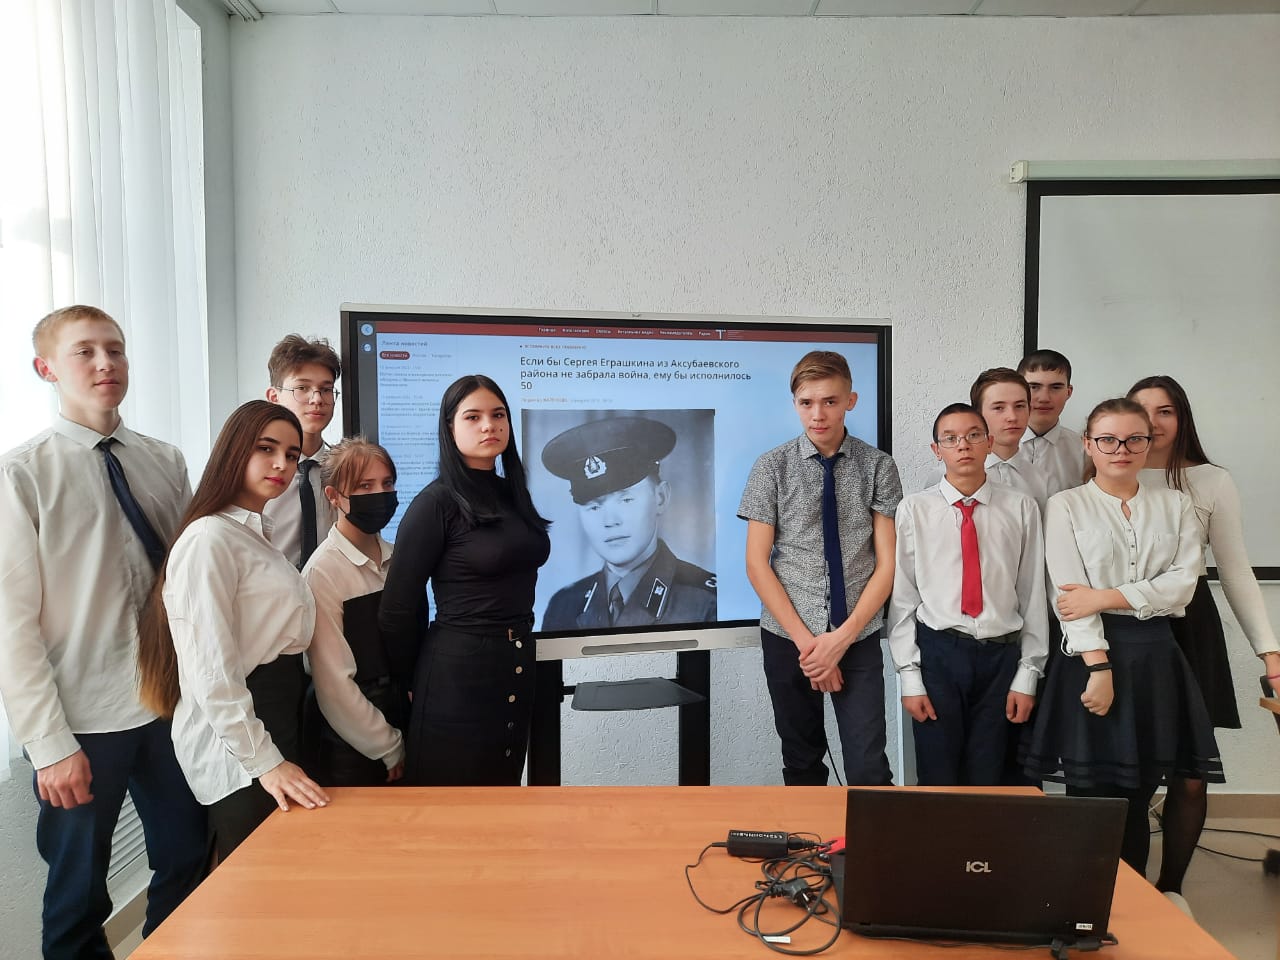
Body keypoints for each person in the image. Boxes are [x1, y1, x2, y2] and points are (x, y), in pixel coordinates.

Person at [0, 305, 206, 960]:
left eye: (114, 349)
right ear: (46, 369)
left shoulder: (164, 461)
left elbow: (189, 578)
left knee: (191, 860)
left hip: (169, 705)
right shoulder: (21, 474)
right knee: (78, 896)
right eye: (84, 351)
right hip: (82, 720)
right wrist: (48, 744)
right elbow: (11, 624)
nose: (105, 363)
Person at [1021, 398, 1223, 875]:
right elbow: (1070, 597)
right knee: (1091, 794)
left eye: (1134, 439)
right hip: (1091, 655)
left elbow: (1182, 587)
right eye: (1108, 440)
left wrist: (1104, 596)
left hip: (1156, 656)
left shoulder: (1175, 504)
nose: (1121, 450)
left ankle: (1134, 903)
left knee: (1139, 789)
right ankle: (1082, 901)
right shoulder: (1066, 505)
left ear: (1148, 444)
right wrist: (1099, 667)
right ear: (1088, 444)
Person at [138, 400, 330, 863]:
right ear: (234, 451)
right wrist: (266, 762)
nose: (282, 464)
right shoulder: (209, 538)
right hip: (244, 736)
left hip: (277, 714)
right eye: (267, 448)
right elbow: (212, 671)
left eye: (291, 454)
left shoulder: (251, 533)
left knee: (285, 872)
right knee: (255, 879)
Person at [1128, 374, 1280, 900]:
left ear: (1182, 418)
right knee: (1131, 770)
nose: (1153, 422)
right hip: (1128, 626)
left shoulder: (1211, 480)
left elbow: (1235, 571)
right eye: (1142, 410)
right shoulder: (1108, 469)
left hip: (1192, 628)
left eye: (1165, 411)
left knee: (1190, 771)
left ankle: (1171, 890)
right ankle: (1127, 894)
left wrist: (1269, 652)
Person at [738, 351, 901, 786]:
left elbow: (887, 563)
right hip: (788, 636)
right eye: (806, 402)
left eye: (830, 401)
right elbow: (756, 563)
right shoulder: (771, 467)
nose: (818, 414)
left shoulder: (878, 466)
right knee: (802, 762)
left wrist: (840, 639)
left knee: (868, 767)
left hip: (857, 636)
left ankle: (869, 836)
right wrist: (811, 648)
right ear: (794, 404)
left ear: (851, 400)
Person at [378, 375, 551, 786]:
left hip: (517, 661)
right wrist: (410, 681)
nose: (489, 425)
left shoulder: (513, 494)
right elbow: (397, 609)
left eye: (498, 415)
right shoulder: (435, 503)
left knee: (503, 796)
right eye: (473, 417)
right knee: (452, 808)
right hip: (456, 674)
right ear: (450, 428)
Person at [888, 403, 1048, 785]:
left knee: (992, 776)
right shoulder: (914, 510)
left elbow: (1032, 593)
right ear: (936, 449)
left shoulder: (1021, 507)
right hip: (939, 654)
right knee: (938, 775)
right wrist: (909, 675)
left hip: (1001, 657)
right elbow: (903, 596)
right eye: (951, 438)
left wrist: (1029, 672)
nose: (963, 445)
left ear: (989, 443)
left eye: (974, 435)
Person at [540, 415, 716, 631]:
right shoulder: (563, 606)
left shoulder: (707, 601)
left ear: (660, 498)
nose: (610, 521)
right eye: (594, 507)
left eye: (626, 500)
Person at [301, 437, 406, 786]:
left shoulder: (399, 558)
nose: (380, 494)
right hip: (350, 746)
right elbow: (333, 684)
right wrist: (386, 745)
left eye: (387, 484)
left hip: (402, 721)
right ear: (334, 496)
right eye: (365, 486)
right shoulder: (322, 572)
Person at [263, 335, 341, 568]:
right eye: (302, 388)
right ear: (274, 397)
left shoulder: (343, 469)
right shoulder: (254, 472)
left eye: (326, 389)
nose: (317, 399)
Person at [969, 367, 1047, 513]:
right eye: (999, 408)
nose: (1012, 417)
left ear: (1029, 410)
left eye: (1019, 406)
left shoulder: (1040, 477)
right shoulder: (948, 475)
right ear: (977, 414)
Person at [1018, 349, 1087, 500]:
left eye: (1055, 387)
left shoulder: (1084, 451)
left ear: (1068, 392)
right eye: (1034, 387)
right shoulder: (991, 448)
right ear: (1019, 390)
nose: (1044, 398)